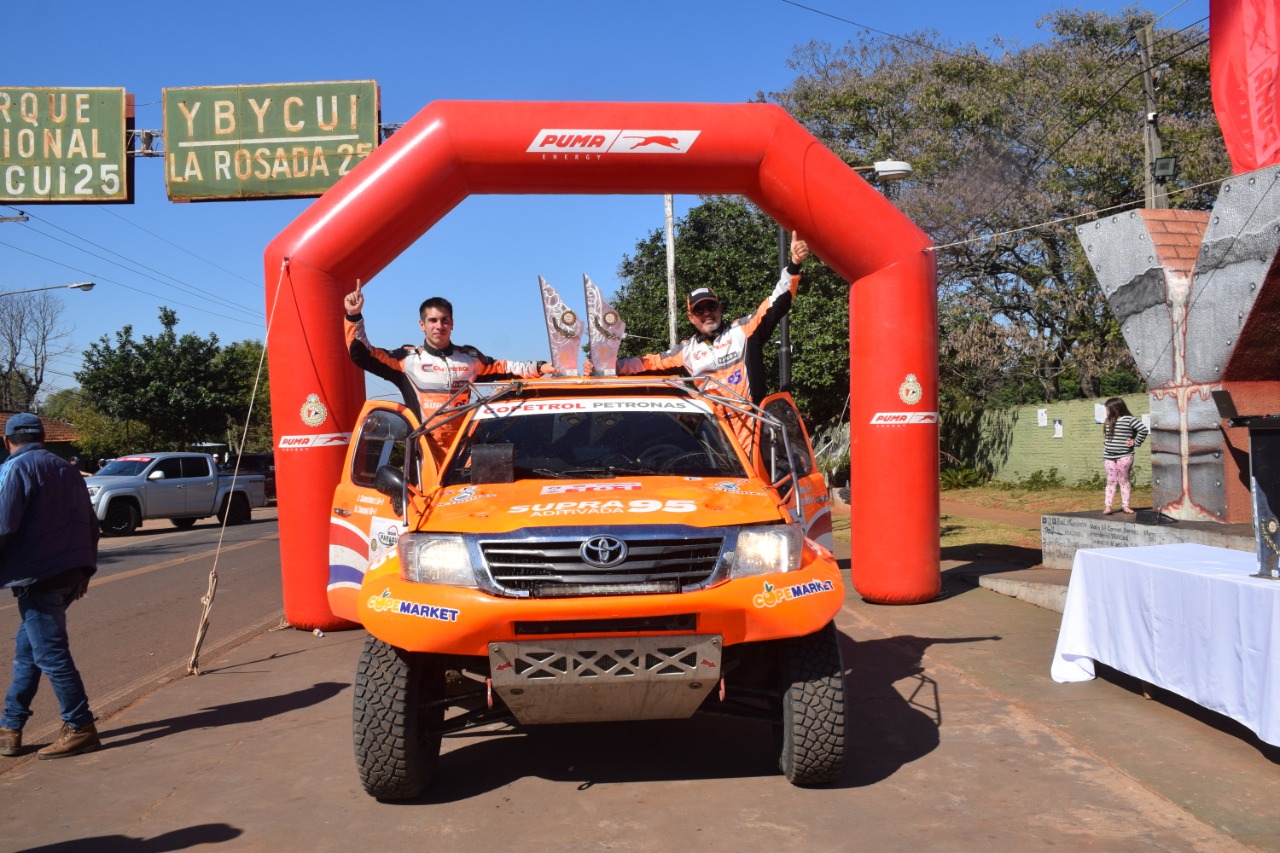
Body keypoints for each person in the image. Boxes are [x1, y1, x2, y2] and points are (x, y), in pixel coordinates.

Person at [590, 231, 810, 439]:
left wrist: (793, 266)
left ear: (720, 308)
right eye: (699, 310)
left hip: (753, 426)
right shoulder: (686, 351)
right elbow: (646, 364)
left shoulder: (743, 330)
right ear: (690, 317)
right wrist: (605, 366)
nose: (707, 314)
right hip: (716, 434)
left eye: (711, 307)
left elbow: (775, 304)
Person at [0, 413, 101, 760]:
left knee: (50, 655)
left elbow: (3, 525)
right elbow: (90, 522)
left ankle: (80, 727)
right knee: (29, 654)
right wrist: (85, 570)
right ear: (43, 438)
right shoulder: (68, 470)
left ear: (7, 440)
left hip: (39, 578)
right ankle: (10, 728)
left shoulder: (15, 469)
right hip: (70, 574)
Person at [343, 285, 552, 445]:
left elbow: (504, 367)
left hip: (463, 450)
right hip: (424, 449)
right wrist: (354, 316)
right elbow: (362, 354)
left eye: (444, 320)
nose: (439, 326)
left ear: (452, 324)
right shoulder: (406, 359)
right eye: (432, 320)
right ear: (421, 325)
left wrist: (540, 367)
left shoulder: (470, 358)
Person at [1102, 397, 1149, 515]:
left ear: (1115, 408)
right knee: (1111, 481)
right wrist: (1106, 440)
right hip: (1109, 456)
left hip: (1125, 455)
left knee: (1123, 481)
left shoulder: (1129, 420)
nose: (1106, 411)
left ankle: (1126, 506)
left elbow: (1143, 429)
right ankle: (1108, 507)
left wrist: (1135, 442)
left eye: (1107, 409)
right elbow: (1108, 435)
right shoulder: (1108, 421)